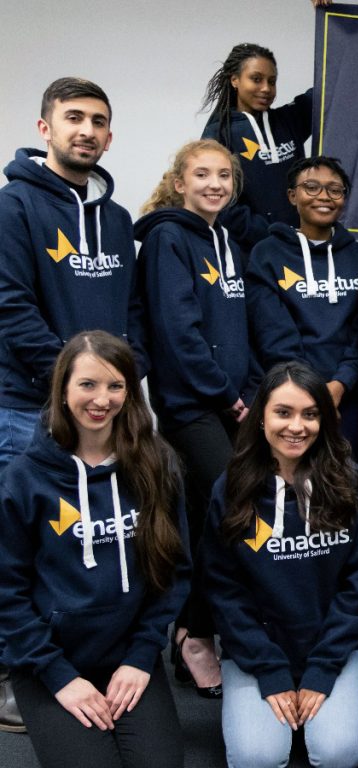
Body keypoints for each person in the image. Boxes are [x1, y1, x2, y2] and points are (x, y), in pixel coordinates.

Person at [0, 75, 146, 734]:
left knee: (89, 540)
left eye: (98, 121)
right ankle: (14, 675)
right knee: (22, 549)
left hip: (104, 414)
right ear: (45, 129)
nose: (86, 130)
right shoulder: (13, 208)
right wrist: (78, 386)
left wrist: (119, 383)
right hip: (26, 410)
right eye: (73, 118)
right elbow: (10, 307)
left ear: (109, 136)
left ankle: (88, 661)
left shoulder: (116, 220)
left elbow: (131, 312)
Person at [0, 331, 189, 768]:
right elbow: (6, 595)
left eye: (115, 385)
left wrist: (143, 657)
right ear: (63, 390)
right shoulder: (23, 481)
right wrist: (59, 677)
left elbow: (175, 571)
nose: (101, 399)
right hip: (49, 662)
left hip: (129, 655)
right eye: (87, 384)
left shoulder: (156, 466)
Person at [203, 361, 358, 768]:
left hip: (330, 645)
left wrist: (322, 670)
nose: (296, 426)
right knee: (256, 758)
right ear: (261, 417)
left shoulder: (349, 483)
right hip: (257, 649)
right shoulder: (230, 489)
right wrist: (269, 670)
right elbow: (223, 590)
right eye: (283, 412)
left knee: (339, 753)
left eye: (310, 414)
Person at [135, 138, 261, 698]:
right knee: (227, 509)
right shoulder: (166, 238)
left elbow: (239, 331)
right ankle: (192, 633)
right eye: (202, 175)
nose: (215, 184)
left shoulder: (227, 241)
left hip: (233, 402)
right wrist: (227, 396)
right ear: (180, 183)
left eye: (224, 177)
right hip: (192, 407)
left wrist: (253, 392)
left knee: (221, 515)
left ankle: (203, 625)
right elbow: (177, 334)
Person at [246, 156, 358, 458]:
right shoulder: (266, 254)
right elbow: (273, 333)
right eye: (311, 187)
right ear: (292, 195)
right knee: (290, 483)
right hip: (290, 396)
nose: (324, 197)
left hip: (348, 398)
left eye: (335, 190)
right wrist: (311, 394)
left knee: (342, 486)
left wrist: (340, 384)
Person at [200, 42, 313, 249]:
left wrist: (329, 20)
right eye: (256, 79)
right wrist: (270, 235)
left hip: (298, 248)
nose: (266, 89)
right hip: (251, 254)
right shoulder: (218, 134)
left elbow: (332, 84)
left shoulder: (289, 120)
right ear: (235, 80)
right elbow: (220, 201)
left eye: (272, 81)